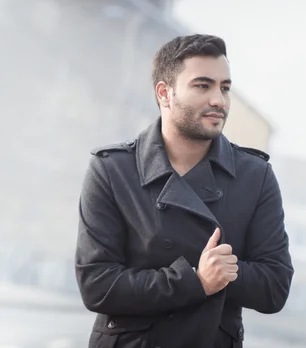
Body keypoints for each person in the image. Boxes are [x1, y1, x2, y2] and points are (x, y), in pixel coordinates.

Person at [75, 34, 294, 348]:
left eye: (225, 88)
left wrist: (226, 272)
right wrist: (195, 280)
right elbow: (97, 285)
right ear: (165, 93)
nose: (219, 100)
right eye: (203, 86)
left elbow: (275, 287)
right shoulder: (113, 169)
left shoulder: (255, 176)